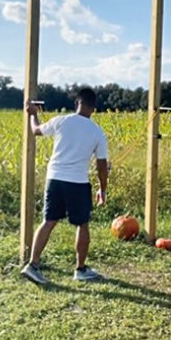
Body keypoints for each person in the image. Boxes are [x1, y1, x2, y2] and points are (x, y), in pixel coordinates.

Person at [21, 87, 109, 285]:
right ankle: (80, 269)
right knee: (82, 224)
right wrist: (102, 189)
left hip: (54, 179)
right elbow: (101, 166)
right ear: (93, 108)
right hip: (78, 182)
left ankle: (32, 265)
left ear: (76, 103)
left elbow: (35, 130)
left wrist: (32, 115)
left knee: (49, 221)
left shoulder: (61, 121)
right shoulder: (97, 132)